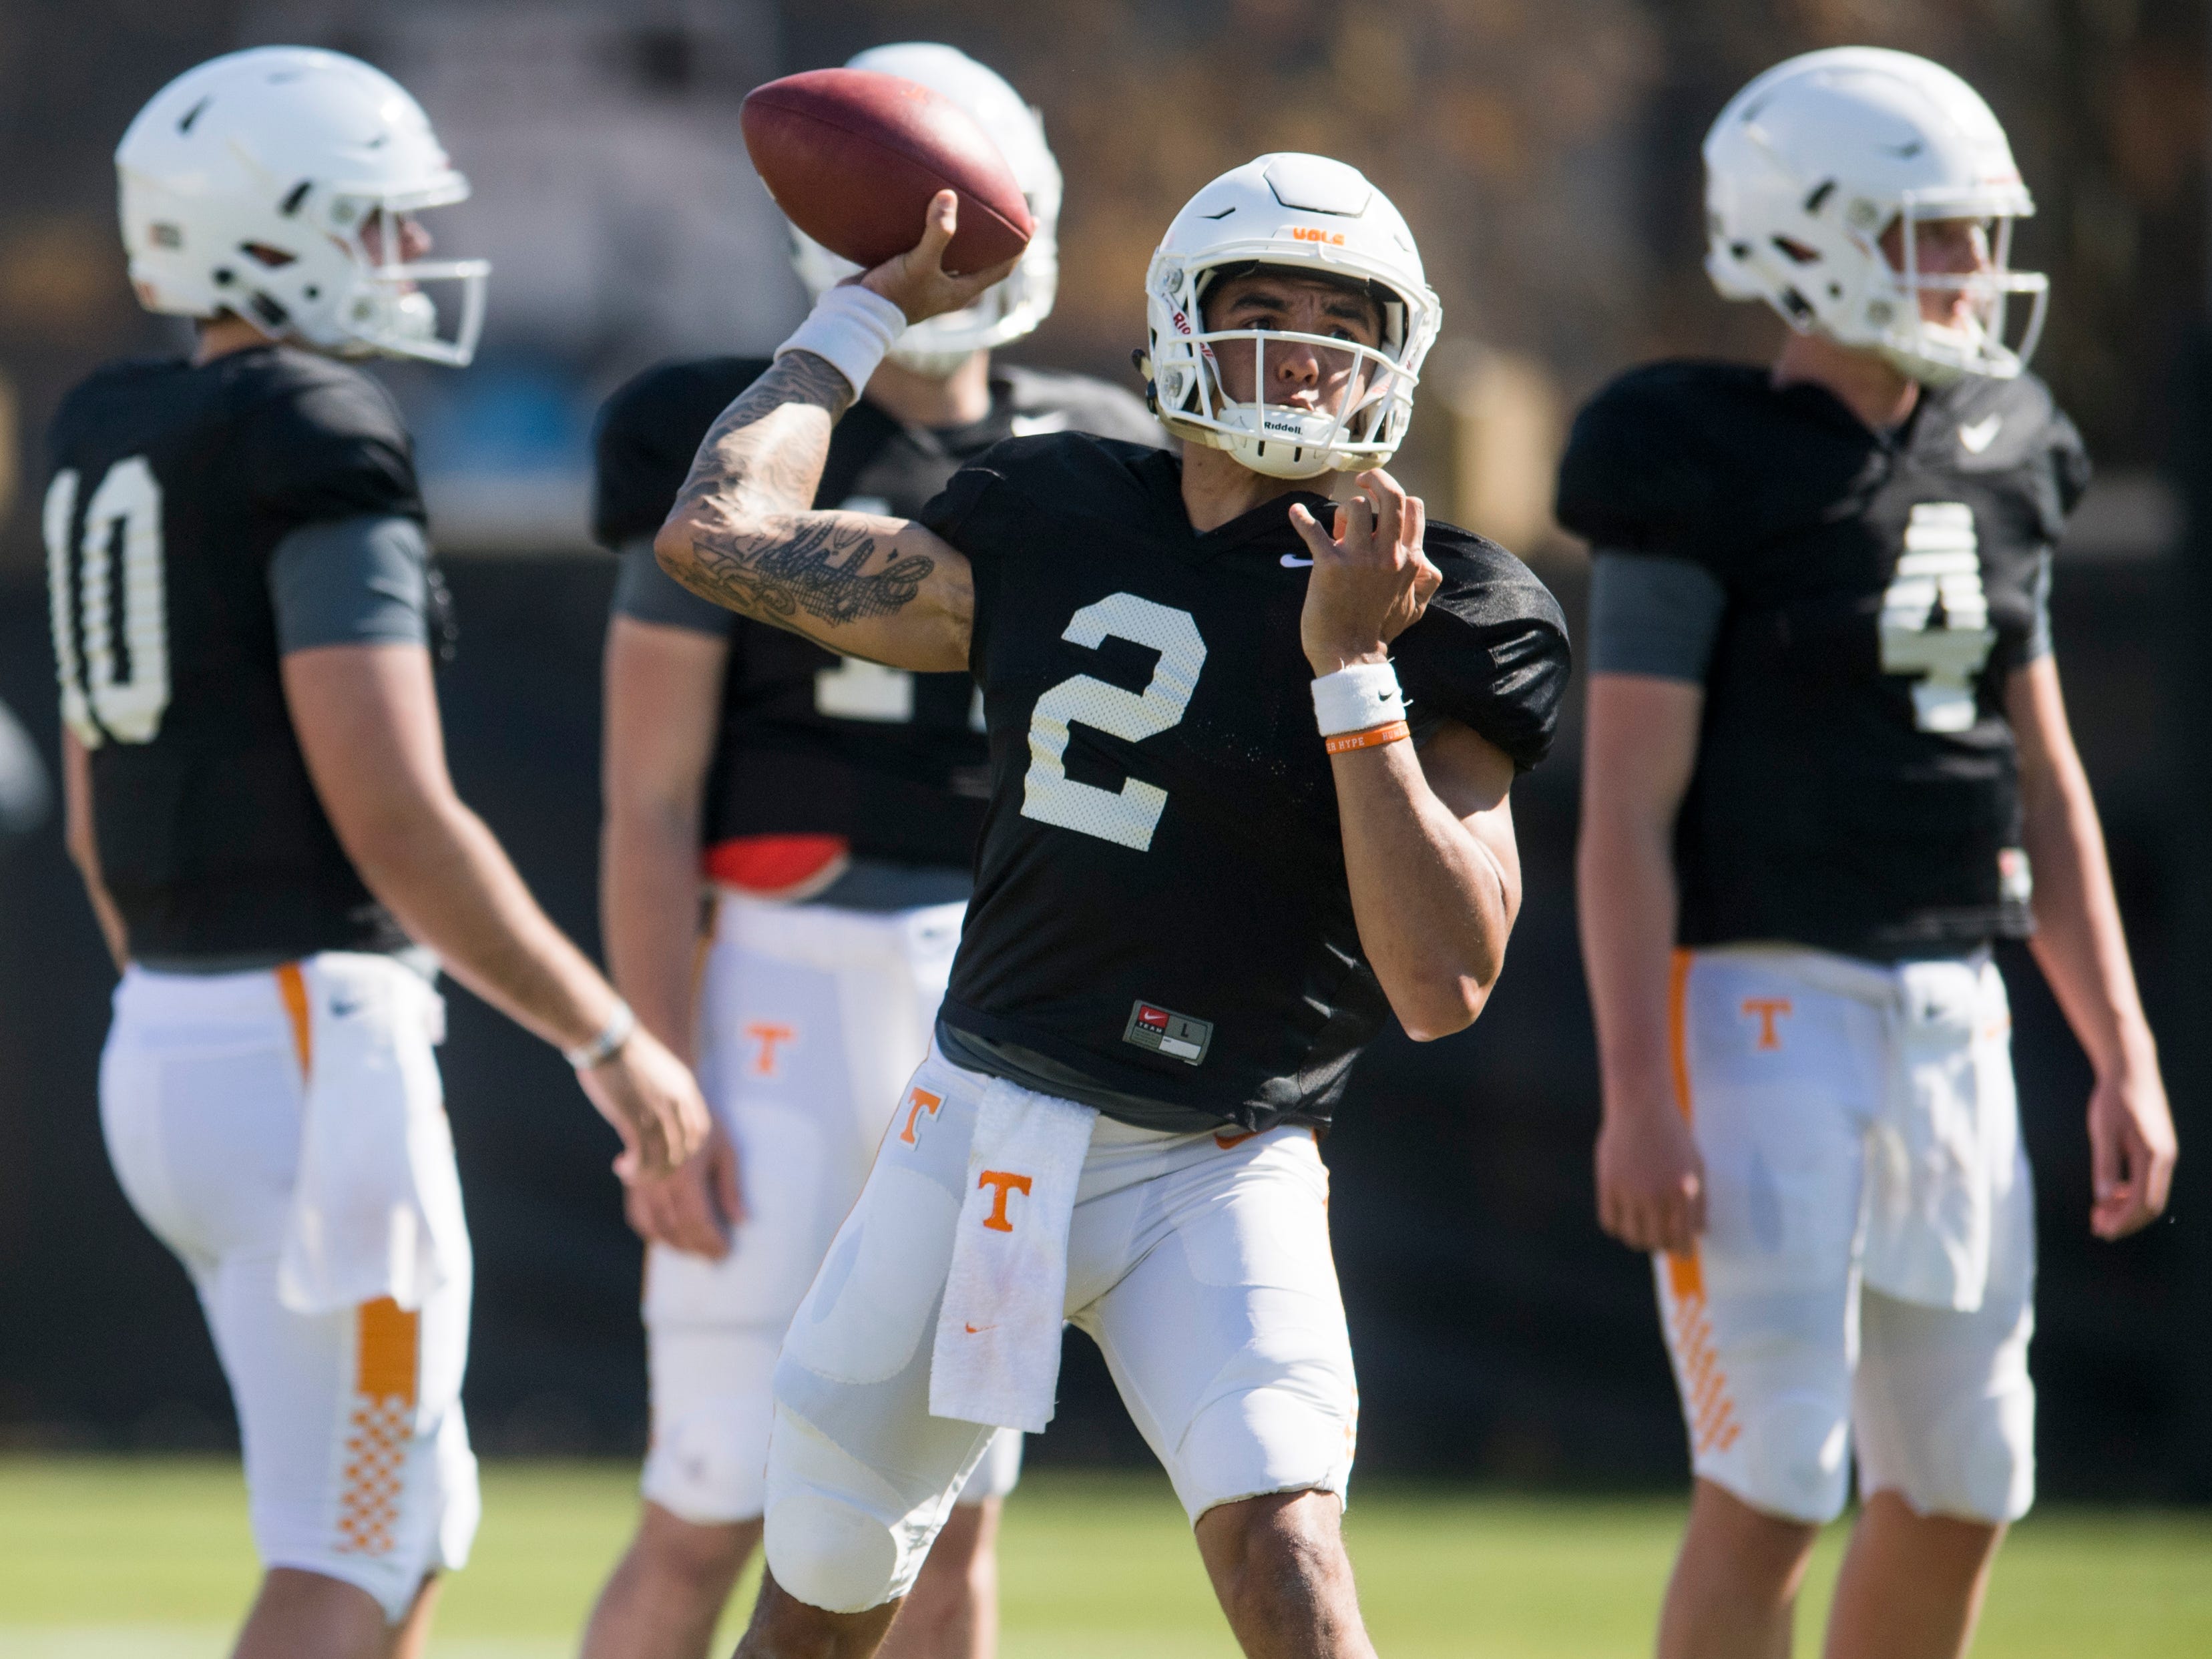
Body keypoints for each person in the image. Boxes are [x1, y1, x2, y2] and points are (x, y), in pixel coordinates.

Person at [654, 152, 1570, 1659]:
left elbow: (1440, 982)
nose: (1300, 347)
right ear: (1175, 328)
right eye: (1259, 304)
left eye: (1341, 315)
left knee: (1294, 1567)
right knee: (813, 1614)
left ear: (1395, 347)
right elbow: (716, 537)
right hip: (976, 1131)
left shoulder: (1454, 599)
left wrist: (1352, 672)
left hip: (1218, 1159)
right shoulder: (1053, 504)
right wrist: (856, 323)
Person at [46, 47, 708, 1659]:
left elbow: (94, 805)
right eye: (374, 223)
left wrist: (198, 1015)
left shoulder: (106, 425)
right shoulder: (314, 427)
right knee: (365, 1542)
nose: (408, 257)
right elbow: (395, 814)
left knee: (381, 1530)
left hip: (177, 1030)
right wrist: (607, 1036)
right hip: (300, 1039)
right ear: (270, 232)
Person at [1562, 47, 2178, 1659]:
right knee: (1771, 1475)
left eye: (1981, 233)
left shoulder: (2006, 444)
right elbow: (1624, 803)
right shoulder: (1696, 458)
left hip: (1954, 1006)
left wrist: (2117, 1046)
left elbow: (2040, 781)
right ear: (1806, 233)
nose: (1977, 272)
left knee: (1967, 1479)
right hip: (1756, 1011)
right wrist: (1636, 1086)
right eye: (1938, 234)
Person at [580, 43, 1161, 1659]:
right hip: (779, 968)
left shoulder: (1099, 444)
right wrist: (654, 1074)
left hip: (1003, 1000)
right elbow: (646, 793)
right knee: (705, 1502)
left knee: (949, 1523)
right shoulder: (728, 438)